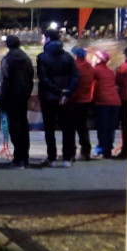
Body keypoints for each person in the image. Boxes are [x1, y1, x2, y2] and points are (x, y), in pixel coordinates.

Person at [36, 29, 79, 168]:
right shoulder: (68, 57)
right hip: (65, 99)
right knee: (67, 129)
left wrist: (58, 91)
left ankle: (52, 158)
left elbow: (43, 79)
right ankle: (67, 158)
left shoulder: (42, 57)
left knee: (49, 129)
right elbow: (75, 77)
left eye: (43, 37)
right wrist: (66, 93)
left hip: (48, 97)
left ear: (48, 38)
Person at [0, 35, 35, 168]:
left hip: (11, 97)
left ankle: (18, 158)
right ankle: (24, 157)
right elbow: (31, 77)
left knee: (14, 127)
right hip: (23, 96)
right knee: (23, 126)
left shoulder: (7, 60)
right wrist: (27, 92)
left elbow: (5, 81)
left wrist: (2, 99)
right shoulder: (26, 59)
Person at [91, 50, 121, 159]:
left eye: (94, 57)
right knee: (110, 127)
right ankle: (108, 149)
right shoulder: (110, 71)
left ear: (98, 59)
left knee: (102, 127)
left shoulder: (96, 71)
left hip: (103, 102)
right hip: (115, 102)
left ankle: (102, 149)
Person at [69, 46, 94, 160]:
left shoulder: (74, 66)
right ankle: (86, 151)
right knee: (82, 126)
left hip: (74, 100)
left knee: (71, 127)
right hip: (86, 100)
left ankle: (71, 152)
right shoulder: (89, 66)